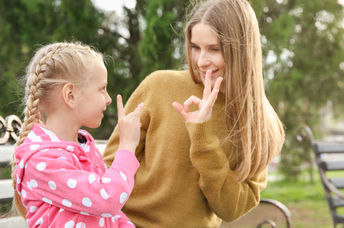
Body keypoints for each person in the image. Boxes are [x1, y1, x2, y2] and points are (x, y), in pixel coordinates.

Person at [103, 0, 285, 227]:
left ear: (241, 50)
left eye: (214, 49)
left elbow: (232, 209)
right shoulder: (159, 85)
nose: (201, 61)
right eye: (195, 47)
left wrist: (203, 138)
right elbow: (108, 169)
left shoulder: (261, 123)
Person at [12, 41, 144, 228]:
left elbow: (109, 216)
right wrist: (127, 147)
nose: (108, 100)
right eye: (102, 88)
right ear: (70, 95)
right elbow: (107, 200)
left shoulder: (82, 145)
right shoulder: (42, 161)